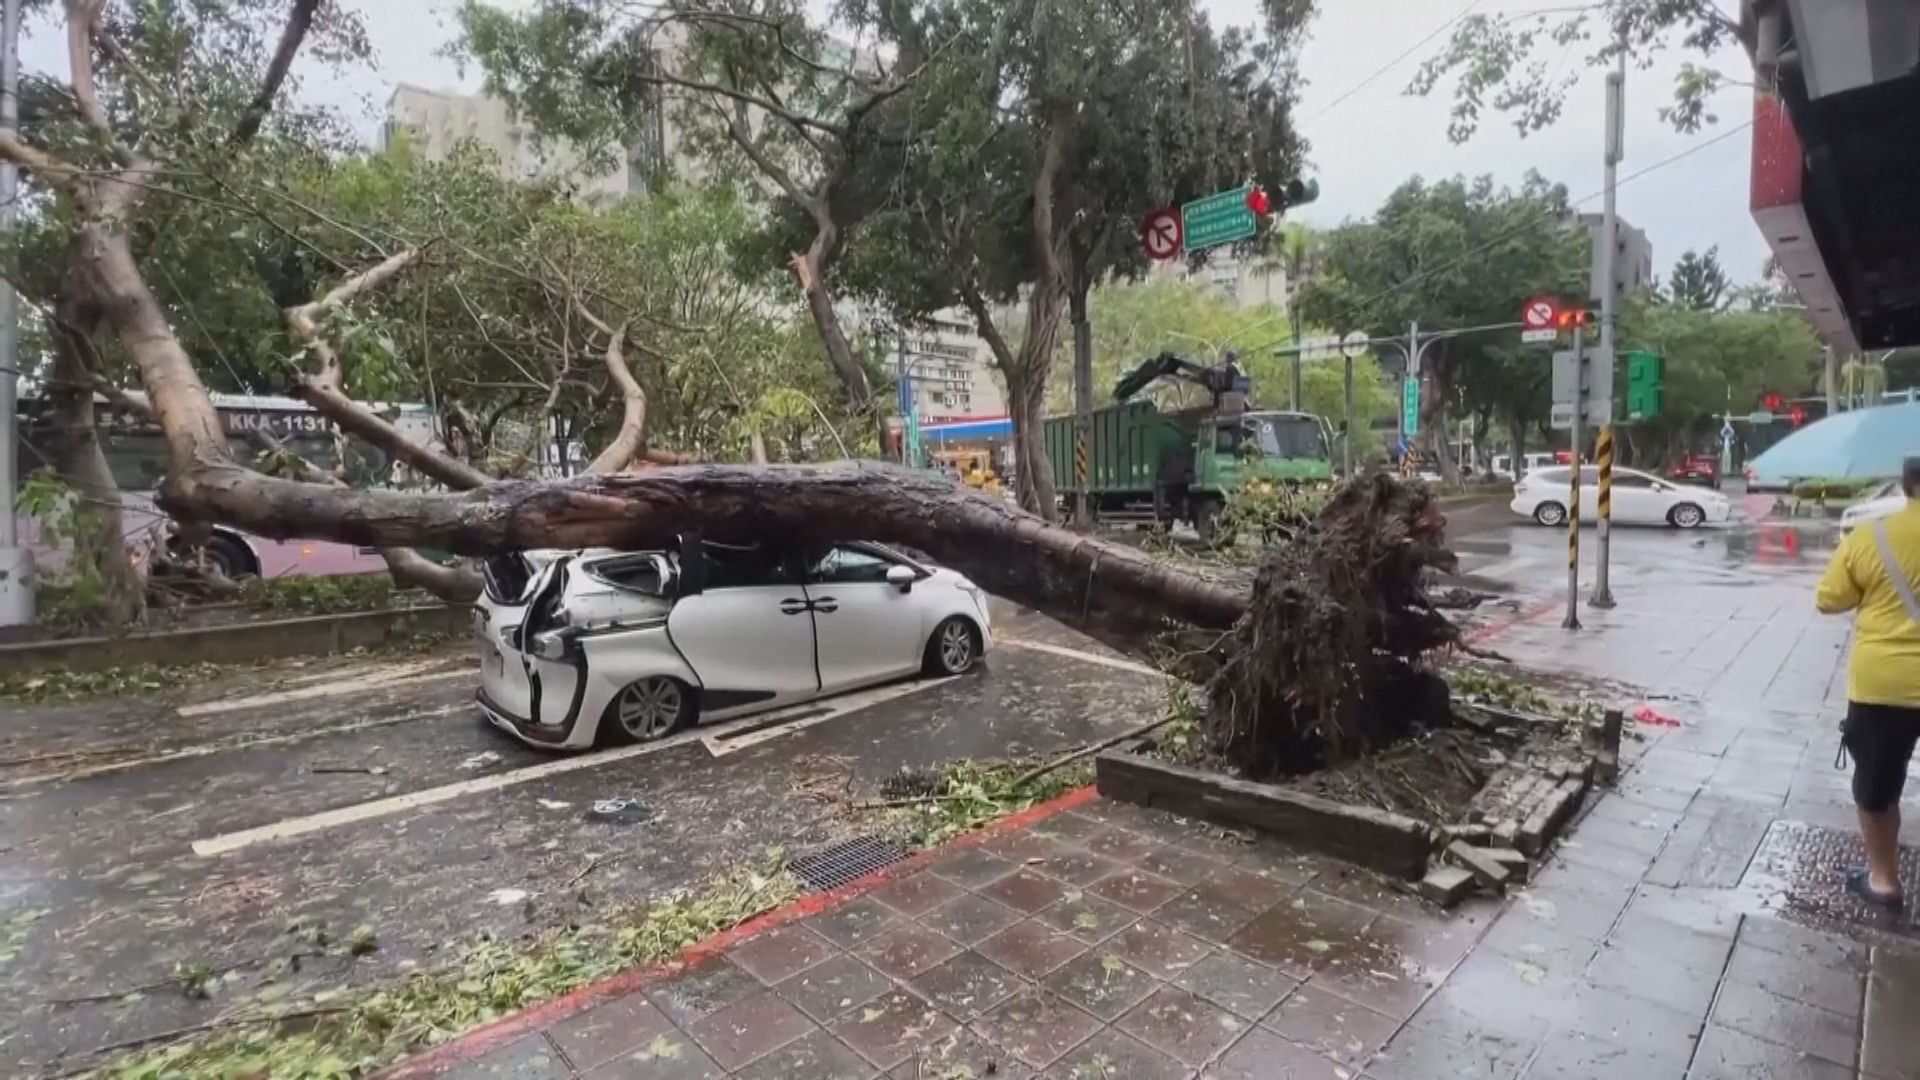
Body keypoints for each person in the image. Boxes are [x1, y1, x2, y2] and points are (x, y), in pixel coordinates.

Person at [1816, 456, 1920, 907]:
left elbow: (1829, 599)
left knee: (1878, 786)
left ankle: (1884, 880)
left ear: (1906, 485)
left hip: (1886, 684)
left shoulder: (1871, 536)